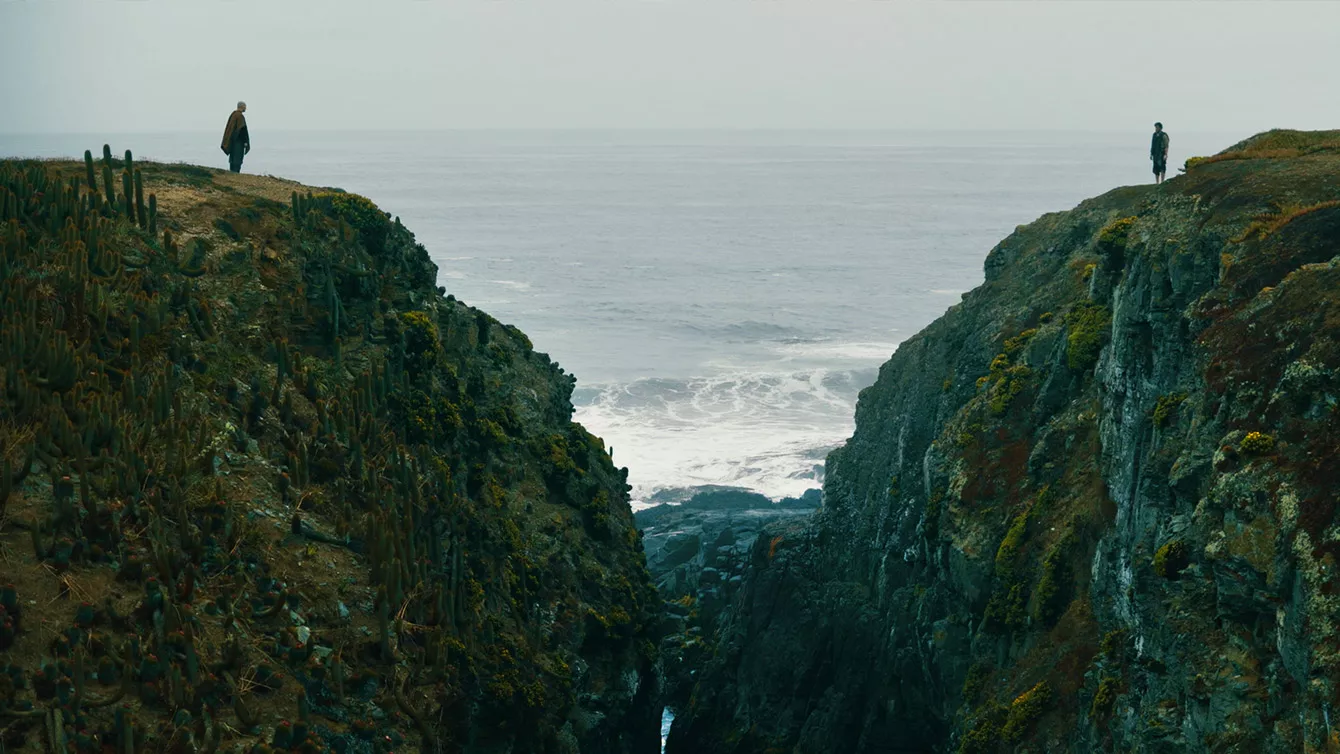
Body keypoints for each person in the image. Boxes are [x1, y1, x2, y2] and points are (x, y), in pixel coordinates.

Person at [221, 101, 251, 173]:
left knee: (233, 157)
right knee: (237, 158)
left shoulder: (233, 115)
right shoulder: (240, 116)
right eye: (245, 106)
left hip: (232, 140)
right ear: (242, 107)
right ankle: (235, 172)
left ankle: (232, 172)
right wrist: (245, 142)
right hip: (238, 141)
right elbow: (242, 130)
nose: (246, 108)